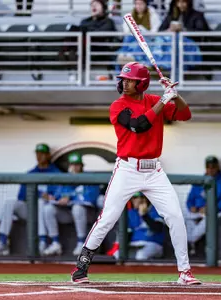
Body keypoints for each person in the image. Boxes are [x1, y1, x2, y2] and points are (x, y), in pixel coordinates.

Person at [71, 62, 200, 285]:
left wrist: (175, 95)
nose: (123, 83)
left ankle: (185, 271)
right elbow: (139, 125)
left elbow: (185, 115)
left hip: (154, 170)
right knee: (107, 219)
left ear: (142, 84)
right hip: (127, 168)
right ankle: (81, 267)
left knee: (175, 216)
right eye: (123, 79)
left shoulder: (152, 101)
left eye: (129, 80)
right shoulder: (118, 105)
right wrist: (163, 99)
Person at [0, 143, 60, 256]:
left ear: (48, 155)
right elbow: (21, 196)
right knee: (10, 203)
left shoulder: (56, 173)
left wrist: (46, 196)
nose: (39, 156)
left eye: (42, 154)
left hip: (46, 211)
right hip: (30, 210)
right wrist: (39, 194)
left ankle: (43, 242)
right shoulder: (31, 173)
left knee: (41, 202)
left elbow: (57, 195)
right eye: (37, 154)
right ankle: (2, 242)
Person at [42, 152, 100, 257]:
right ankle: (55, 243)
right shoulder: (66, 179)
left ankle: (81, 243)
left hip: (88, 214)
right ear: (69, 166)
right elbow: (58, 195)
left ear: (82, 165)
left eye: (77, 164)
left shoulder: (90, 177)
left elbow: (91, 199)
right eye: (73, 164)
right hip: (69, 213)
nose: (75, 167)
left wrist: (71, 197)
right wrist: (59, 199)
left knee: (77, 208)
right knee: (48, 209)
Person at [185, 156, 221, 255]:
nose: (210, 170)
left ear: (217, 167)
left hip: (216, 213)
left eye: (213, 167)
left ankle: (191, 241)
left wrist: (210, 208)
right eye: (208, 167)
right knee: (185, 217)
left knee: (197, 230)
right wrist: (191, 207)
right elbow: (189, 200)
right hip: (199, 212)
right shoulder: (200, 181)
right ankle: (191, 241)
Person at [117, 0, 161, 68]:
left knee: (137, 45)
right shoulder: (130, 14)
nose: (138, 6)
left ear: (146, 4)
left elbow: (154, 33)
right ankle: (125, 55)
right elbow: (126, 31)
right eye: (137, 4)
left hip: (147, 41)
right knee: (129, 40)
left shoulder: (152, 14)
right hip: (132, 39)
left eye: (141, 4)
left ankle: (128, 56)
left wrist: (142, 30)